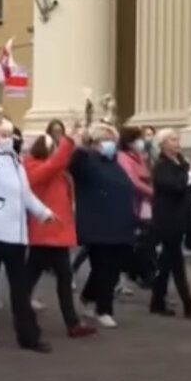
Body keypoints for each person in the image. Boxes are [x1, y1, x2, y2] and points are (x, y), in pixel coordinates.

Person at [0, 117, 54, 352]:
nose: (10, 140)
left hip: (15, 235)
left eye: (11, 136)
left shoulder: (18, 163)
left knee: (19, 287)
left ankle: (28, 336)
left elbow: (25, 195)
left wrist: (44, 212)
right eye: (5, 136)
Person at [23, 130, 95, 338]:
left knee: (39, 276)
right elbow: (54, 165)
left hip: (55, 232)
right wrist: (69, 140)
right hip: (46, 231)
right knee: (55, 276)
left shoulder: (58, 172)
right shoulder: (32, 168)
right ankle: (70, 322)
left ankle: (69, 322)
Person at [72, 124, 137, 329]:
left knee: (111, 267)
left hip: (119, 223)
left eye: (112, 140)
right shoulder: (87, 161)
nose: (110, 144)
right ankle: (104, 309)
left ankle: (88, 298)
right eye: (104, 139)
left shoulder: (115, 164)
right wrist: (80, 143)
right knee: (104, 268)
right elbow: (73, 164)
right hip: (97, 223)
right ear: (95, 143)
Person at [149, 129, 191, 318]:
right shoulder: (161, 165)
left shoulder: (180, 162)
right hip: (167, 218)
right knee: (176, 262)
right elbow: (177, 186)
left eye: (177, 139)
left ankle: (157, 300)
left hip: (180, 217)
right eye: (172, 139)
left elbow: (190, 187)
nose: (177, 142)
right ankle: (188, 303)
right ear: (163, 144)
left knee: (167, 262)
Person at [117, 126, 156, 289]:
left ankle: (142, 274)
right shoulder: (123, 158)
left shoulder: (139, 157)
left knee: (145, 242)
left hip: (144, 205)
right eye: (138, 138)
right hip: (132, 204)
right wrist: (152, 192)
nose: (141, 142)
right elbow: (132, 181)